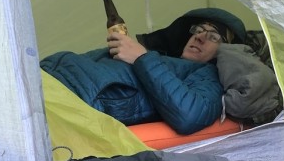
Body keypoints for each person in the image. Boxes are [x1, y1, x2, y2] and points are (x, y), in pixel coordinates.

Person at [41, 9, 246, 135]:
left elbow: (189, 115)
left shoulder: (210, 76)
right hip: (50, 73)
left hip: (73, 96)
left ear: (226, 51)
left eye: (213, 37)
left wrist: (141, 58)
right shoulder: (161, 57)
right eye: (198, 30)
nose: (199, 37)